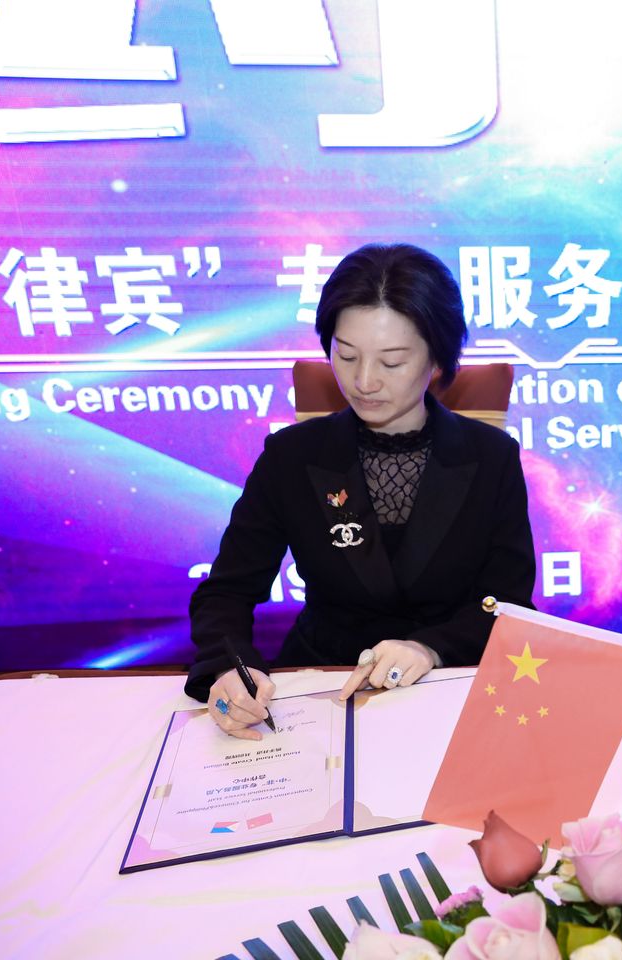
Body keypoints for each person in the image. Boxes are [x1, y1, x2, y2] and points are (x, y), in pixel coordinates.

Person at [188, 243, 536, 738]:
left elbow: (507, 601)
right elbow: (227, 591)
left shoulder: (491, 456)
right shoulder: (291, 456)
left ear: (437, 357)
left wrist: (430, 648)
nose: (364, 381)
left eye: (391, 362)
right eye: (346, 355)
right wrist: (229, 668)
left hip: (447, 683)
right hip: (324, 683)